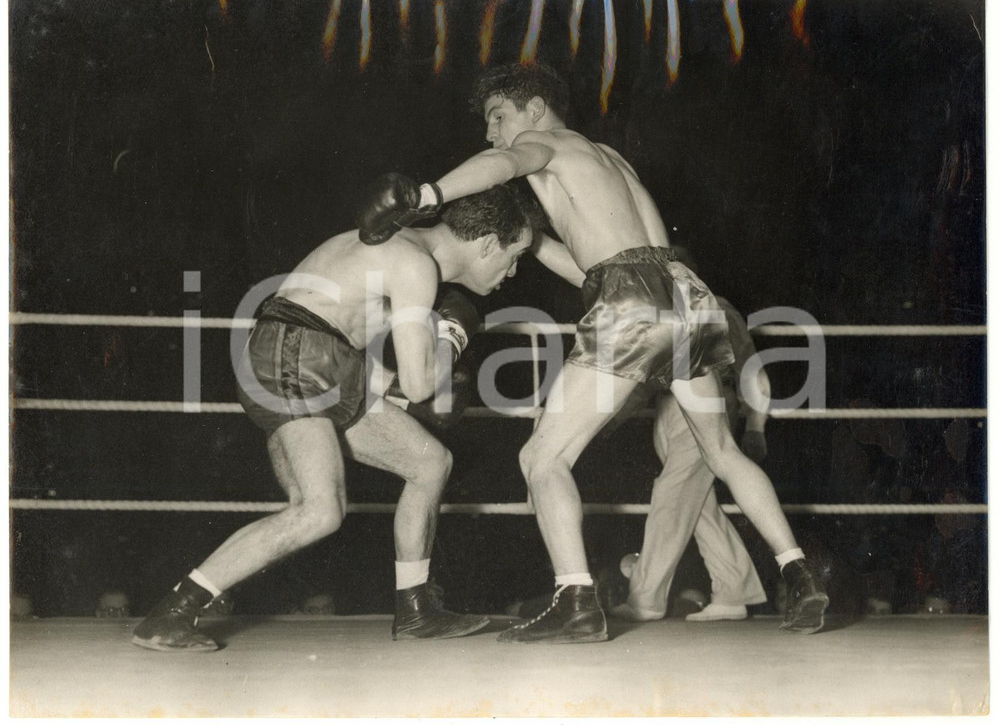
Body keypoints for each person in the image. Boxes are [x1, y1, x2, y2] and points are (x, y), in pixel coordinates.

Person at [366, 62, 827, 642]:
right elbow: (599, 263)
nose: (492, 133)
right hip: (687, 293)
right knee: (721, 450)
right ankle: (797, 572)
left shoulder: (543, 141)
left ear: (534, 110)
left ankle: (575, 596)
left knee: (541, 458)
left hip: (632, 297)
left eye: (498, 117)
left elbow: (502, 165)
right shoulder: (610, 161)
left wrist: (427, 195)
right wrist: (531, 241)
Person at [131, 182, 534, 651]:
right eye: (515, 255)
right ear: (487, 243)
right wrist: (452, 337)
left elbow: (383, 371)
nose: (513, 271)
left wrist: (408, 384)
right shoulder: (415, 264)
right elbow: (424, 384)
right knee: (320, 510)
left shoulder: (401, 251)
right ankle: (172, 612)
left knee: (429, 462)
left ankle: (416, 608)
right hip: (295, 352)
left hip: (324, 359)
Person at [611, 291, 771, 623]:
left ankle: (646, 598)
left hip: (705, 408)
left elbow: (751, 370)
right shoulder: (655, 308)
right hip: (667, 410)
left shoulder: (718, 308)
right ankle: (733, 591)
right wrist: (608, 420)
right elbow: (642, 376)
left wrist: (756, 426)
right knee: (695, 504)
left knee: (672, 495)